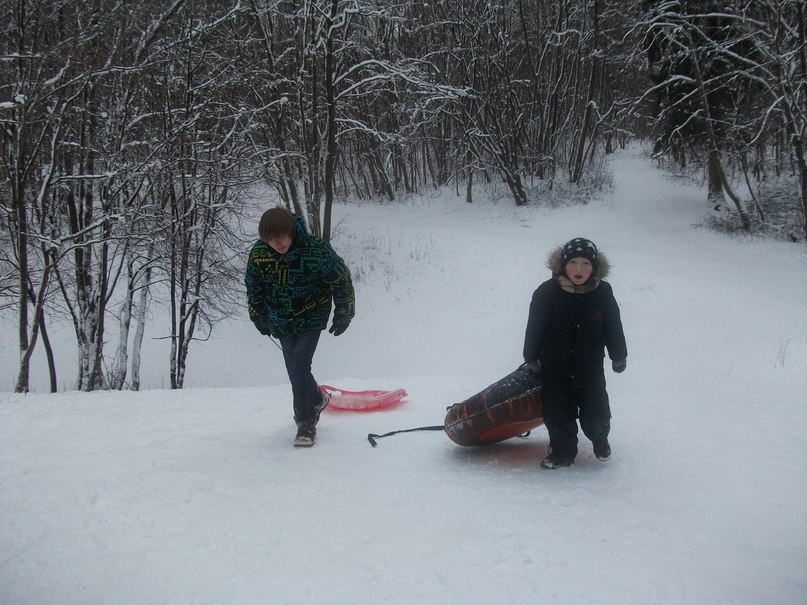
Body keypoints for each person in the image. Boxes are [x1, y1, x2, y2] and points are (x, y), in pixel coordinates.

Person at [245, 207, 355, 447]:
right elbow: (254, 288)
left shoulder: (315, 250)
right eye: (270, 239)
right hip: (281, 320)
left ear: (291, 230)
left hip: (311, 315)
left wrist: (344, 312)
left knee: (299, 364)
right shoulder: (260, 254)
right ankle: (317, 398)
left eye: (281, 236)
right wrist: (259, 317)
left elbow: (341, 279)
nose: (277, 243)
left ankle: (305, 424)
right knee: (296, 369)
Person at [523, 237, 627, 469]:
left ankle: (600, 440)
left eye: (585, 263)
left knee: (596, 410)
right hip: (554, 367)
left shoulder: (603, 293)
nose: (579, 269)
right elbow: (534, 328)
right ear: (563, 265)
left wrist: (618, 354)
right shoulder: (546, 293)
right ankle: (562, 453)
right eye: (573, 263)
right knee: (558, 413)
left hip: (589, 368)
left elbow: (613, 325)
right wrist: (530, 358)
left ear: (594, 267)